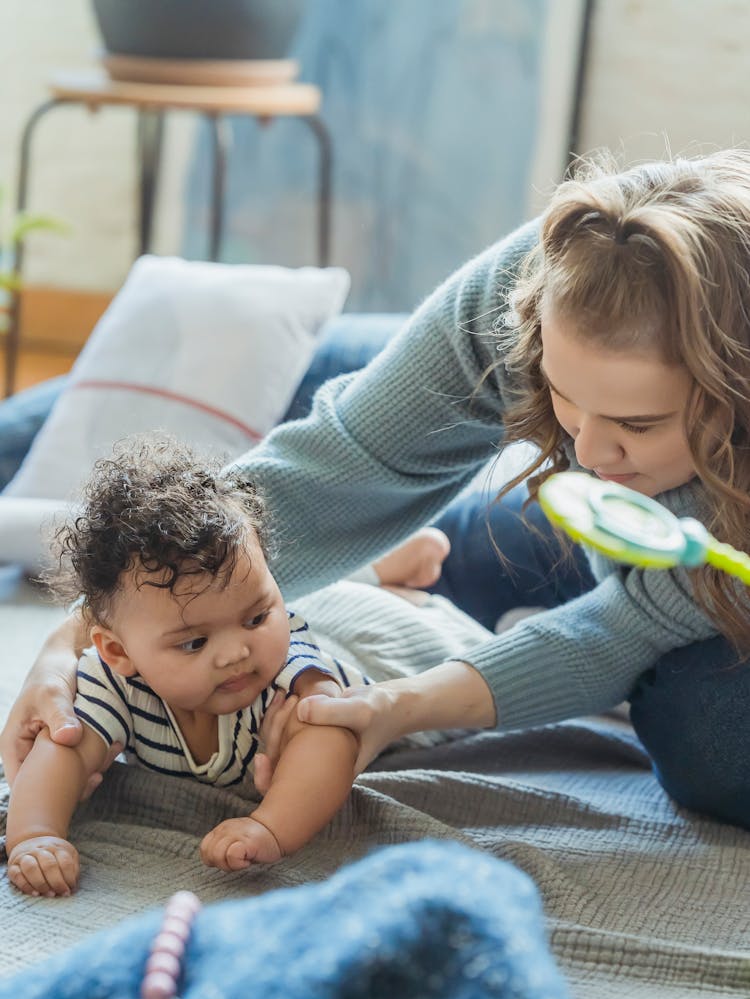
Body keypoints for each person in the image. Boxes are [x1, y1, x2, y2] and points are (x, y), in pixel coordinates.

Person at [3, 150, 750, 830]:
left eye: (635, 422)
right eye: (563, 396)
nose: (585, 450)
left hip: (701, 552)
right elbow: (342, 464)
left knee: (709, 744)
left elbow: (615, 631)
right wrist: (76, 637)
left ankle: (400, 563)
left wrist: (392, 707)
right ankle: (398, 547)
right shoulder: (540, 281)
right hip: (494, 445)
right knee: (226, 382)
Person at [3, 434, 467, 896]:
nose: (236, 653)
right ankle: (379, 572)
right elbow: (63, 747)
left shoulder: (289, 665)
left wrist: (270, 827)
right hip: (315, 613)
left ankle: (383, 577)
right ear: (119, 653)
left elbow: (333, 740)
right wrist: (35, 835)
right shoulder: (111, 682)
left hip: (383, 645)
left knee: (440, 638)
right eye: (195, 642)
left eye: (258, 616)